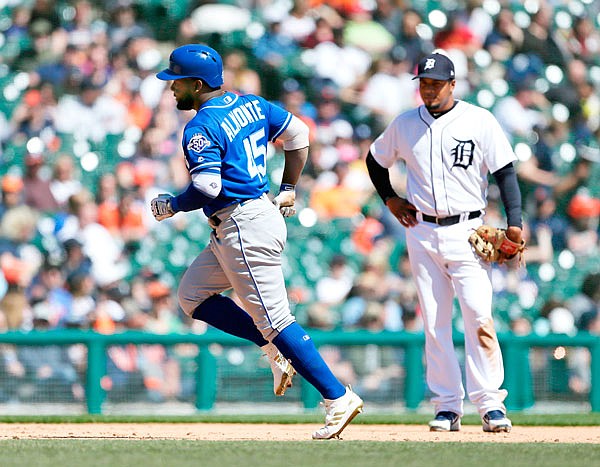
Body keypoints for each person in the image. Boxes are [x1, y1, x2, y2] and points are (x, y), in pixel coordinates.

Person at [151, 44, 363, 439]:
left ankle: (337, 396)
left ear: (197, 84)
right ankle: (271, 348)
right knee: (192, 295)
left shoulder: (200, 126)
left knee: (277, 320)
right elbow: (299, 134)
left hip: (242, 224)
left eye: (176, 81)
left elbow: (208, 186)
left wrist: (174, 204)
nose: (171, 88)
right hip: (249, 216)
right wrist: (289, 187)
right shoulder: (251, 103)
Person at [366, 52, 522, 433]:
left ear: (453, 84)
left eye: (436, 83)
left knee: (479, 317)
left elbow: (505, 173)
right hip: (421, 230)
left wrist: (514, 223)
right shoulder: (404, 124)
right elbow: (375, 160)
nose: (429, 89)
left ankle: (490, 405)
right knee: (435, 324)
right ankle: (448, 407)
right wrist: (389, 197)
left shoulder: (478, 120)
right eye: (424, 83)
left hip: (469, 231)